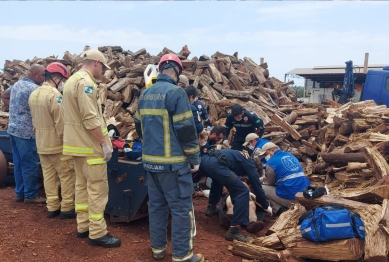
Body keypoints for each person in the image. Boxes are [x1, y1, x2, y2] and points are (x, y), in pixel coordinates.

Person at [134, 53, 204, 262]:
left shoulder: (145, 94)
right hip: (173, 167)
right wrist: (194, 159)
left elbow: (139, 127)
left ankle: (157, 250)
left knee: (156, 208)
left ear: (161, 68)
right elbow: (185, 129)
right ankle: (182, 255)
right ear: (177, 71)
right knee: (182, 211)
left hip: (150, 164)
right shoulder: (176, 93)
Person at [62, 50, 120, 248]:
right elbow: (89, 117)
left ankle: (83, 226)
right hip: (91, 146)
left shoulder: (71, 81)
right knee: (97, 190)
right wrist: (104, 143)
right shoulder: (86, 83)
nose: (103, 72)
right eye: (103, 67)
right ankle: (97, 233)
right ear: (96, 63)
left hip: (77, 147)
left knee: (82, 187)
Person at [28, 62, 76, 219]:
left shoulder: (34, 93)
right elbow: (61, 123)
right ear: (55, 78)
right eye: (62, 79)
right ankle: (67, 208)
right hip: (57, 145)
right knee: (66, 175)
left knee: (48, 176)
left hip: (41, 144)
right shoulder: (55, 96)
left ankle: (52, 207)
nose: (62, 83)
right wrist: (68, 142)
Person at [199, 148, 271, 242]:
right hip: (215, 164)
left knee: (218, 180)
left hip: (204, 160)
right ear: (256, 169)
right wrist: (265, 206)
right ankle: (234, 230)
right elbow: (257, 186)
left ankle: (211, 208)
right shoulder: (250, 164)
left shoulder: (239, 156)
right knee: (242, 191)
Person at [1, 64, 46, 204]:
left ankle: (20, 193)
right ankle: (31, 195)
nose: (44, 78)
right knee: (30, 164)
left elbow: (4, 95)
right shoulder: (35, 89)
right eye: (42, 75)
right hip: (26, 132)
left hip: (13, 130)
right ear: (34, 75)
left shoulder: (18, 84)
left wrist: (15, 107)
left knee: (19, 163)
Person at [258, 142, 311, 216]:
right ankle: (279, 208)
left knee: (261, 188)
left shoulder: (271, 162)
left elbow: (269, 183)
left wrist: (260, 180)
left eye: (265, 154)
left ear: (272, 150)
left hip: (292, 197)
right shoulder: (290, 155)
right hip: (305, 192)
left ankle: (278, 209)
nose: (265, 157)